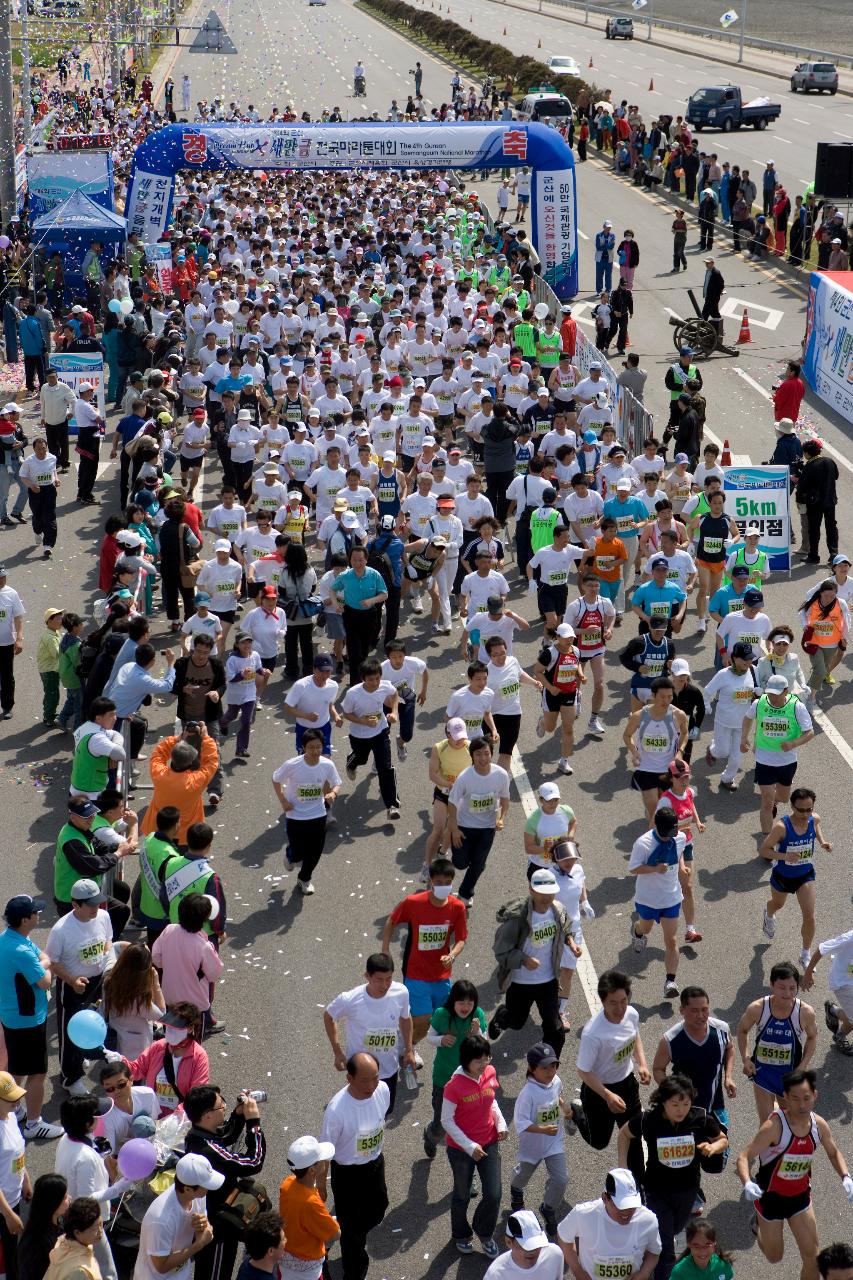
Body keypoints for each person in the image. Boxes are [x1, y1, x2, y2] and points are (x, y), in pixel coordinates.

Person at [737, 1069, 853, 1280]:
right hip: (770, 1200)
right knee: (774, 1257)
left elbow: (834, 1152)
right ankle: (758, 1227)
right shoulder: (774, 1127)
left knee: (813, 1260)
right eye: (795, 1099)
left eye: (806, 1098)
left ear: (815, 1096)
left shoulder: (819, 1125)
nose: (801, 1105)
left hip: (800, 1198)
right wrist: (746, 1182)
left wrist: (846, 1176)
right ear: (786, 1098)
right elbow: (744, 1157)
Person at [618, 1075, 726, 1280]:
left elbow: (722, 1139)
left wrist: (713, 1147)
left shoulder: (699, 1117)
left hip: (688, 1190)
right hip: (657, 1191)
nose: (681, 1110)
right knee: (667, 1250)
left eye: (686, 1104)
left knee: (674, 1228)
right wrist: (622, 1167)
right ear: (663, 1102)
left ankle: (653, 1245)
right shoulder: (649, 1120)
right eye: (675, 1104)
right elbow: (624, 1134)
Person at [489, 869, 578, 1058]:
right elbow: (500, 951)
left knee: (555, 1029)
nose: (547, 898)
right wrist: (523, 960)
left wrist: (570, 941)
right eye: (542, 894)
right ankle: (501, 1018)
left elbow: (565, 926)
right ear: (531, 890)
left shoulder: (557, 910)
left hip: (548, 981)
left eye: (551, 893)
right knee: (516, 1021)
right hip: (521, 983)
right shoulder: (517, 919)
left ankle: (548, 1065)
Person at [570, 970, 649, 1184]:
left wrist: (642, 1063)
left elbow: (635, 1035)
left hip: (627, 1084)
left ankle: (638, 1186)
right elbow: (583, 1071)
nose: (620, 1008)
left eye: (624, 1000)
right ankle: (576, 1112)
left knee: (633, 1138)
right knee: (599, 1141)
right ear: (603, 1001)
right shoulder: (593, 1033)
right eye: (613, 1003)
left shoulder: (631, 1014)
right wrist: (608, 1096)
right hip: (599, 1091)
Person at [381, 857, 468, 1047]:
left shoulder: (458, 907)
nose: (443, 886)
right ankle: (408, 1048)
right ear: (430, 880)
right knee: (424, 1018)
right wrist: (385, 949)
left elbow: (461, 939)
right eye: (439, 882)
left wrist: (452, 955)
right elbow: (392, 921)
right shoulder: (414, 903)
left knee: (439, 1019)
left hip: (441, 975)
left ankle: (408, 1042)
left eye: (447, 883)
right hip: (416, 973)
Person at [183, 1085, 267, 1280]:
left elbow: (223, 1135)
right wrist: (254, 1124)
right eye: (221, 1106)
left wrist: (237, 1116)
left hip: (210, 1219)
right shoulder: (208, 1150)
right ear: (207, 1115)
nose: (224, 1107)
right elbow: (254, 1162)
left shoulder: (196, 1135)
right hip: (218, 1228)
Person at [319, 1053, 390, 1280]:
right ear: (349, 1078)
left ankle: (337, 1230)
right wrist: (321, 1186)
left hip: (374, 1165)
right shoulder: (336, 1110)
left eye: (375, 1078)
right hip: (348, 1173)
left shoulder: (383, 1091)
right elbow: (325, 1154)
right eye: (365, 1081)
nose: (372, 1086)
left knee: (379, 1208)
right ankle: (354, 1269)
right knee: (352, 1230)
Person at [0, 894, 63, 1140]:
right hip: (29, 1019)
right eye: (35, 913)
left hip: (11, 1016)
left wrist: (43, 960)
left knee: (18, 1067)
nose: (39, 915)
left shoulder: (8, 939)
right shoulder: (22, 951)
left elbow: (42, 955)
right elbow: (45, 979)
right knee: (37, 1074)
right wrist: (45, 963)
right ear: (26, 920)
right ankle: (34, 1123)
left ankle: (14, 1108)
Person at [441, 1033, 507, 1258]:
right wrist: (469, 1146)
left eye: (486, 1058)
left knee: (494, 1193)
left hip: (489, 1142)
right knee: (462, 1194)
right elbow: (446, 1120)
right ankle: (461, 1235)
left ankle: (484, 1232)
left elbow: (492, 1101)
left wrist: (501, 1123)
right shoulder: (454, 1086)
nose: (484, 1064)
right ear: (465, 1060)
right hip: (461, 1151)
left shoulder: (490, 1072)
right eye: (478, 1060)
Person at [45, 879, 112, 1095]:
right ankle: (69, 1077)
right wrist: (73, 981)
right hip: (73, 985)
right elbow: (52, 962)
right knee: (69, 1031)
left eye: (98, 903)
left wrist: (105, 959)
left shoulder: (103, 916)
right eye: (91, 904)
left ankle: (82, 1056)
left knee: (92, 1023)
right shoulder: (61, 930)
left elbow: (108, 940)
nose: (96, 908)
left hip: (97, 982)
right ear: (75, 905)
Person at [323, 954, 414, 1113]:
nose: (385, 985)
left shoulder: (401, 993)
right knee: (359, 1115)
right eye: (379, 979)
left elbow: (405, 1019)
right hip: (361, 1073)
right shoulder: (351, 999)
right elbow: (329, 1016)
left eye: (389, 978)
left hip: (389, 1069)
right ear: (367, 976)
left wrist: (409, 1050)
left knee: (384, 1113)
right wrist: (337, 1052)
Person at [55, 1096, 131, 1280]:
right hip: (87, 1223)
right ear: (88, 1123)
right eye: (96, 1117)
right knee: (106, 1270)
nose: (99, 1120)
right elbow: (87, 1199)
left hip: (71, 1219)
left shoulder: (66, 1139)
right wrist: (122, 1185)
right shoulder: (85, 1158)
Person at [736, 961, 818, 1122]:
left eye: (792, 988)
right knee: (767, 1125)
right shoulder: (758, 1008)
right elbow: (742, 1030)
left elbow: (813, 1037)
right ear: (772, 985)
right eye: (782, 987)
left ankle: (776, 1108)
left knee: (791, 1122)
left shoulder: (804, 1012)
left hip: (790, 1076)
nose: (787, 993)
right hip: (763, 1072)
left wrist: (802, 1066)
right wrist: (746, 1059)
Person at [760, 788, 832, 970]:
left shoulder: (813, 819)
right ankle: (769, 914)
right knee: (778, 904)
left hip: (805, 875)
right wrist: (785, 856)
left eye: (809, 809)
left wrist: (822, 842)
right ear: (792, 806)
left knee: (809, 916)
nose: (806, 814)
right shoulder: (781, 827)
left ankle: (805, 954)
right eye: (801, 810)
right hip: (783, 876)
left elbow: (816, 828)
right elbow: (764, 850)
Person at [509, 1042, 572, 1237]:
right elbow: (521, 1122)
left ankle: (548, 1208)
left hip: (554, 1142)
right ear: (531, 1068)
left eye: (553, 1066)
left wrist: (565, 1107)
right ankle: (516, 1190)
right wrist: (542, 1129)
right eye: (544, 1067)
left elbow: (557, 1096)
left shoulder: (556, 1081)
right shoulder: (527, 1094)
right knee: (523, 1177)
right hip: (533, 1145)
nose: (550, 1071)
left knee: (561, 1179)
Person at [740, 673, 815, 835]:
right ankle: (767, 841)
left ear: (786, 691)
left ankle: (775, 802)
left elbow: (809, 732)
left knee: (783, 798)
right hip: (764, 760)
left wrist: (793, 743)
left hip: (787, 762)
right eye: (770, 693)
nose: (772, 697)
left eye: (776, 693)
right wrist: (744, 737)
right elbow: (747, 718)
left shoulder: (796, 706)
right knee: (766, 801)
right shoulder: (760, 703)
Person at [557, 1168, 661, 1280]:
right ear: (605, 1198)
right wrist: (578, 1271)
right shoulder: (583, 1214)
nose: (627, 1212)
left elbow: (654, 1252)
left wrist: (644, 1273)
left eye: (631, 1206)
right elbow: (564, 1237)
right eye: (621, 1206)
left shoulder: (648, 1220)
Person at [272, 728, 341, 896]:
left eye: (318, 747)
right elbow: (276, 779)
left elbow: (336, 782)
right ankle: (291, 856)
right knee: (298, 853)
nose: (315, 751)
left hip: (318, 813)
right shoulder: (292, 764)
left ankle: (304, 879)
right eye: (311, 747)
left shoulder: (327, 764)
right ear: (303, 748)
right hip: (295, 814)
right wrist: (283, 801)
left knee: (315, 851)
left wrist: (333, 793)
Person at [132, 1152, 222, 1280]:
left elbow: (204, 1226)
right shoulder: (161, 1219)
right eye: (206, 1185)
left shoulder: (198, 1196)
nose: (209, 1188)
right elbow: (161, 1266)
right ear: (187, 1189)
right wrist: (199, 1244)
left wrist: (203, 1226)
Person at [628, 807, 686, 1000]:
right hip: (648, 899)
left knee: (672, 940)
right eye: (667, 833)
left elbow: (679, 852)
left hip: (671, 897)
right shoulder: (643, 843)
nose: (671, 836)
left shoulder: (679, 838)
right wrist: (654, 868)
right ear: (657, 827)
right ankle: (637, 931)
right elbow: (633, 868)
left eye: (673, 832)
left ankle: (670, 981)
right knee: (646, 928)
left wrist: (682, 866)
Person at [447, 735, 511, 908]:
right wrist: (453, 829)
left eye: (486, 753)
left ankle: (464, 894)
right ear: (472, 756)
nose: (483, 758)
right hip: (464, 827)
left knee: (478, 863)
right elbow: (452, 803)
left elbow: (505, 799)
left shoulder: (501, 775)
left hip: (487, 827)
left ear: (491, 753)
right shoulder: (465, 777)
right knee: (460, 863)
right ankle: (471, 867)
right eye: (478, 754)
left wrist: (502, 818)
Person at [341, 657, 401, 821]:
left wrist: (394, 712)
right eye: (370, 679)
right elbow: (346, 713)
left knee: (385, 767)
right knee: (361, 758)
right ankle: (351, 762)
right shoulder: (353, 694)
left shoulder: (384, 686)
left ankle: (392, 805)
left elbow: (394, 694)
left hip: (381, 731)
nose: (374, 682)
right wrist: (363, 721)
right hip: (359, 735)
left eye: (377, 678)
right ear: (363, 679)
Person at [124, 1004, 209, 1117]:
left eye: (175, 1028)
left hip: (179, 1118)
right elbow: (137, 1070)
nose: (169, 1031)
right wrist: (120, 1062)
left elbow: (197, 1095)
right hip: (152, 1112)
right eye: (168, 1027)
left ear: (190, 1028)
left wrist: (175, 1117)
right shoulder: (158, 1047)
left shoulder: (199, 1056)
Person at [139, 728, 219, 845]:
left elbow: (158, 755)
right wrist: (206, 737)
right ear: (191, 763)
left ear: (172, 758)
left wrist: (178, 738)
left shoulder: (159, 775)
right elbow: (211, 762)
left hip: (156, 829)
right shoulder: (196, 781)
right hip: (186, 836)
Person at [277, 1139, 339, 1280]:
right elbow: (335, 1233)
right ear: (312, 1170)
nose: (324, 1161)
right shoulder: (311, 1203)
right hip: (307, 1268)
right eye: (321, 1159)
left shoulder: (287, 1183)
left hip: (286, 1256)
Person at [102, 939, 164, 1058]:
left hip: (114, 1043)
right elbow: (162, 1014)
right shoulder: (139, 999)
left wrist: (135, 949)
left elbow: (114, 947)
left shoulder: (108, 980)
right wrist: (156, 982)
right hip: (136, 1052)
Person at [333, 547, 387, 681]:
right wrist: (336, 605)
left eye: (360, 560)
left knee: (363, 651)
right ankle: (355, 683)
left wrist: (371, 600)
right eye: (354, 560)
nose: (357, 563)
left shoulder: (374, 575)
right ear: (350, 560)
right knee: (354, 651)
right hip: (350, 615)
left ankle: (361, 674)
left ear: (366, 560)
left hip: (369, 616)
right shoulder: (345, 576)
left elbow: (384, 594)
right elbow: (332, 590)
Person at [91, 1059, 158, 1155]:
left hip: (151, 1148)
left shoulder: (148, 1095)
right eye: (110, 1088)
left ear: (131, 1080)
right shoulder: (105, 1117)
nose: (116, 1091)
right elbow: (109, 1154)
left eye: (121, 1084)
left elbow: (155, 1124)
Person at [803, 925, 853, 1056]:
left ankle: (833, 1011)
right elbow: (821, 949)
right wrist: (808, 973)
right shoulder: (848, 939)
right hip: (842, 983)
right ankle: (840, 1036)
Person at [17, 1173, 69, 1280]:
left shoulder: (55, 1223)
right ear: (53, 1203)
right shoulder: (39, 1244)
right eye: (64, 1197)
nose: (69, 1198)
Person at [485, 1210, 565, 1279]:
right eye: (527, 1246)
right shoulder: (495, 1275)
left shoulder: (555, 1255)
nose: (533, 1251)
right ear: (509, 1242)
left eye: (537, 1244)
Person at [44, 1197, 106, 1280]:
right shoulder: (79, 1272)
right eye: (94, 1229)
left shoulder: (63, 1245)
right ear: (77, 1233)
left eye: (101, 1224)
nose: (100, 1231)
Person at [0, 563, 26, 720]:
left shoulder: (11, 594)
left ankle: (7, 706)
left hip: (6, 643)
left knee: (7, 676)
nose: (2, 580)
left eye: (3, 577)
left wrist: (19, 638)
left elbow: (18, 617)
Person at [670, 1219, 734, 1280]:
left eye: (707, 1244)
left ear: (714, 1242)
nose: (702, 1251)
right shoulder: (679, 1272)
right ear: (688, 1244)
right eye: (696, 1246)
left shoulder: (723, 1266)